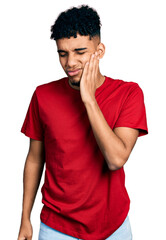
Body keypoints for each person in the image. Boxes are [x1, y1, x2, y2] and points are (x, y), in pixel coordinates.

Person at [17, 5, 148, 240]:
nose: (70, 62)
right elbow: (35, 159)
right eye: (62, 53)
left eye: (80, 51)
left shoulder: (129, 93)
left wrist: (88, 99)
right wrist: (24, 217)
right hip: (57, 227)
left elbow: (116, 159)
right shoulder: (42, 95)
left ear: (100, 51)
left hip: (113, 227)